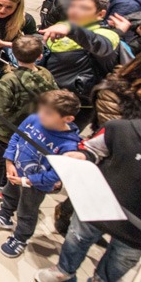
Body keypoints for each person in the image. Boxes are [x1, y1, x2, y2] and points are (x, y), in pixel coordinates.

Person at [34, 119, 141, 282]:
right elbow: (92, 148)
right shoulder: (120, 128)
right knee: (76, 239)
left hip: (135, 231)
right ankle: (63, 271)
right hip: (96, 206)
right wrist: (83, 155)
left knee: (120, 260)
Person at [0, 90, 80, 258]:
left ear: (68, 119)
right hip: (16, 172)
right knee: (8, 194)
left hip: (36, 184)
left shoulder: (69, 146)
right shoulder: (34, 119)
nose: (41, 115)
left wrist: (27, 181)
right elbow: (16, 137)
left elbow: (55, 175)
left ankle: (20, 238)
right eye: (41, 109)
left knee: (27, 211)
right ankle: (4, 216)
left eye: (48, 113)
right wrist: (9, 162)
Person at [0, 36, 57, 207]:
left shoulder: (10, 80)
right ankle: (1, 183)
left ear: (15, 56)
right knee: (10, 160)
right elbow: (54, 97)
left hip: (3, 131)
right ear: (40, 56)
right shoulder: (46, 74)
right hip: (29, 130)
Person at [40, 0, 120, 127]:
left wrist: (72, 29)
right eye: (73, 6)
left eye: (83, 8)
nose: (74, 11)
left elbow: (100, 45)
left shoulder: (107, 34)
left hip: (74, 106)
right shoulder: (64, 25)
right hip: (46, 94)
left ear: (100, 14)